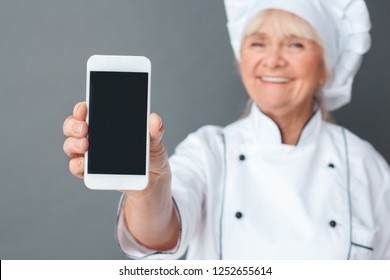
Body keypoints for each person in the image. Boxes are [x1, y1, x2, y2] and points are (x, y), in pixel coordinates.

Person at [63, 0, 390, 259]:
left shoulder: (367, 167)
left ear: (324, 68)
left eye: (296, 45)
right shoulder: (210, 151)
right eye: (258, 43)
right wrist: (148, 193)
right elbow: (157, 236)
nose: (272, 60)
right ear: (242, 59)